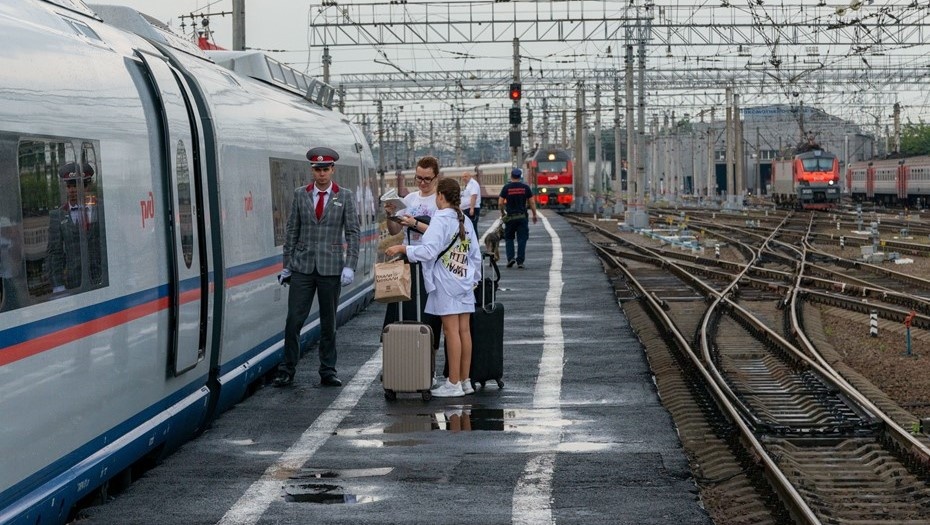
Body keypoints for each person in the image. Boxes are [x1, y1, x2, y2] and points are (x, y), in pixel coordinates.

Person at [385, 177, 482, 397]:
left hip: (445, 281)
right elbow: (475, 254)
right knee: (464, 331)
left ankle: (453, 383)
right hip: (464, 281)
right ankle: (465, 381)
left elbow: (428, 251)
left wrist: (403, 248)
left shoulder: (441, 219)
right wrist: (473, 279)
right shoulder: (464, 220)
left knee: (451, 332)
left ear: (440, 196)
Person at [275, 146, 360, 387]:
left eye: (325, 169)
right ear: (312, 170)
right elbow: (292, 229)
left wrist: (350, 265)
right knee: (293, 320)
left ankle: (328, 370)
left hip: (331, 268)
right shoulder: (300, 194)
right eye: (317, 169)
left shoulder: (344, 196)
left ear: (332, 170)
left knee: (328, 322)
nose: (321, 173)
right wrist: (287, 265)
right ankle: (287, 368)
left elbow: (353, 232)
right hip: (302, 266)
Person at [382, 156, 444, 371]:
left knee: (430, 318)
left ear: (436, 177)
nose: (423, 183)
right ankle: (405, 367)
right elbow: (395, 231)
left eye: (427, 179)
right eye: (419, 178)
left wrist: (415, 223)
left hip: (432, 264)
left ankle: (429, 370)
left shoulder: (440, 201)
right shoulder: (409, 200)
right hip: (409, 261)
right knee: (404, 315)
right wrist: (391, 215)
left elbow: (442, 235)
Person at [47, 162, 102, 293]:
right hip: (74, 283)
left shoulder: (101, 210)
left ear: (86, 187)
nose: (71, 190)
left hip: (102, 279)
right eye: (69, 186)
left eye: (76, 186)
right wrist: (58, 285)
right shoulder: (58, 215)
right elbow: (54, 253)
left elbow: (114, 242)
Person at [498, 168, 537, 269]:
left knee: (509, 238)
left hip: (510, 218)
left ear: (511, 176)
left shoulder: (506, 188)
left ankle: (510, 258)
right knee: (522, 239)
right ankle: (520, 261)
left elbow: (500, 203)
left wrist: (502, 213)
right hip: (522, 217)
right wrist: (534, 214)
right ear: (520, 177)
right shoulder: (525, 188)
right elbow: (532, 202)